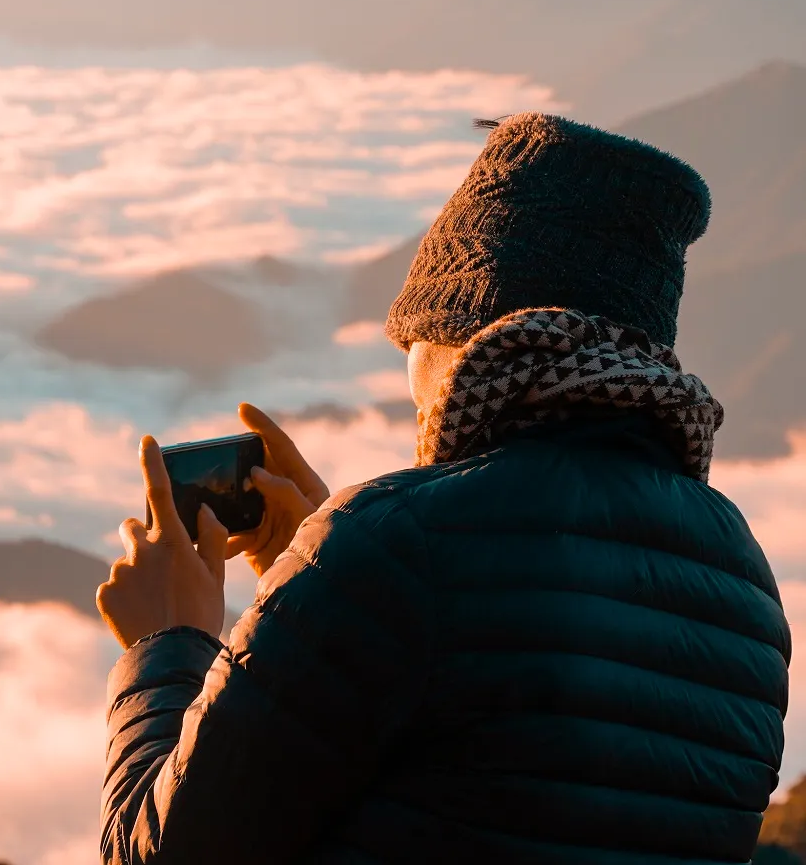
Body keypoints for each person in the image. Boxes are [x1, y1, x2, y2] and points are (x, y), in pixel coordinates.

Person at [96, 113, 791, 863]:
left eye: (412, 339)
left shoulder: (398, 544)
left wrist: (167, 640)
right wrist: (309, 583)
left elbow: (160, 855)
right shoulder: (742, 585)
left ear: (460, 332)